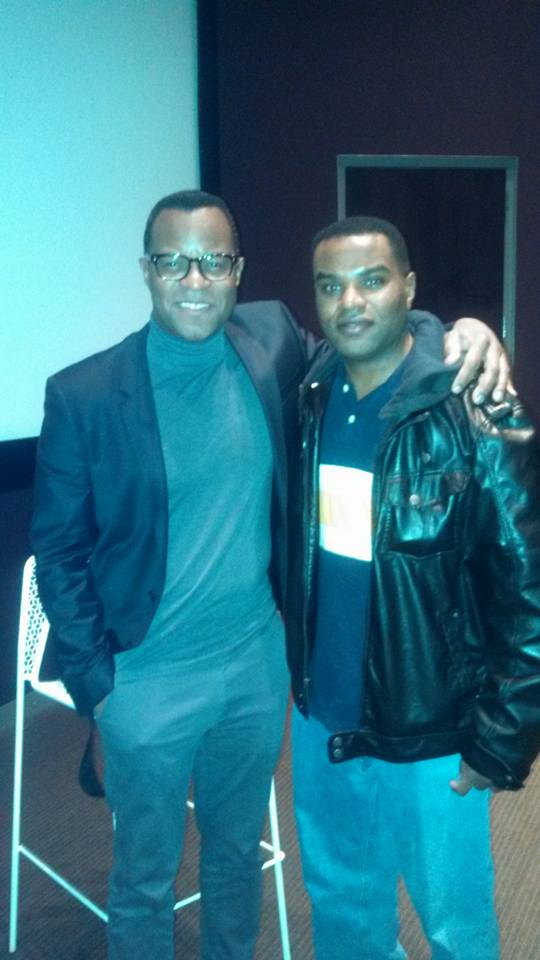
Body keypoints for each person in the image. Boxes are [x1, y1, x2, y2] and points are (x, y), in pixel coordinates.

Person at [31, 190, 510, 960]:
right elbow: (57, 553)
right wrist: (102, 689)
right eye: (174, 261)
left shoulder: (272, 344)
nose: (195, 278)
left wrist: (463, 331)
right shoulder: (86, 394)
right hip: (145, 686)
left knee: (234, 861)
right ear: (147, 271)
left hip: (257, 675)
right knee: (144, 883)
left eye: (213, 261)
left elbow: (379, 324)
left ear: (238, 272)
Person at [286, 215, 540, 960]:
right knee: (342, 911)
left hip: (433, 727)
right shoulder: (309, 395)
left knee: (455, 927)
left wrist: (500, 739)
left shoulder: (474, 406)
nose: (350, 303)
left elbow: (527, 591)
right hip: (323, 717)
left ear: (409, 288)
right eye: (331, 286)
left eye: (371, 280)